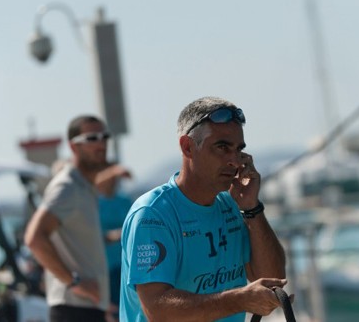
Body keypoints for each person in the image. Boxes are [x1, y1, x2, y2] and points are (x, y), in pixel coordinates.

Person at [120, 97, 287, 321]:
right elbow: (157, 309)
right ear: (187, 147)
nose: (234, 161)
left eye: (238, 150)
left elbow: (273, 281)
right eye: (222, 147)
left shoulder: (232, 205)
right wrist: (240, 299)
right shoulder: (152, 214)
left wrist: (252, 208)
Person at [24, 115, 111, 322]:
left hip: (87, 309)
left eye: (104, 137)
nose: (101, 144)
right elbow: (34, 238)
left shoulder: (85, 187)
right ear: (74, 147)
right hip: (73, 310)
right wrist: (73, 282)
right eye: (91, 138)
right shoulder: (67, 187)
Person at [95, 163, 134, 317]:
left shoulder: (124, 200)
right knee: (112, 310)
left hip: (127, 265)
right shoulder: (95, 202)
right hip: (106, 267)